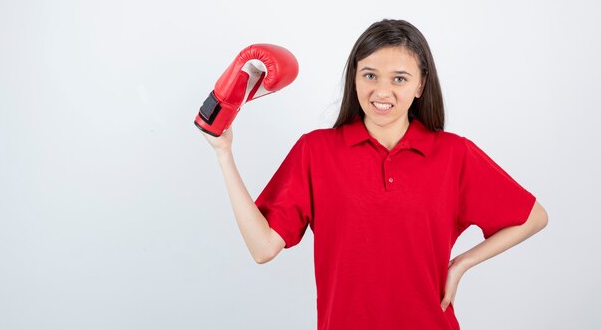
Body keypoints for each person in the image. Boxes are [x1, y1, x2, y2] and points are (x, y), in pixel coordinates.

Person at [199, 19, 549, 330]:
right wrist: (224, 153)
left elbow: (533, 217)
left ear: (420, 85)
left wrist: (460, 264)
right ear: (354, 77)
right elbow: (263, 248)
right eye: (370, 75)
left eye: (399, 78)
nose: (382, 92)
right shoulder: (316, 151)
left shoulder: (453, 154)